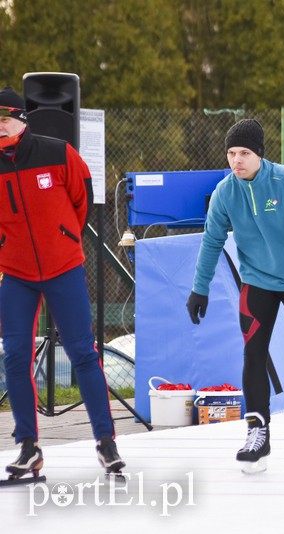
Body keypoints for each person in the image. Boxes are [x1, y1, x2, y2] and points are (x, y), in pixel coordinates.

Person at [187, 118, 284, 469]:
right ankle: (258, 432)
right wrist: (199, 289)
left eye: (244, 152)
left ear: (259, 153)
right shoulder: (226, 192)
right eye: (231, 153)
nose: (236, 160)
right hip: (258, 283)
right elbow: (212, 241)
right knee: (253, 355)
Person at [0, 87, 124, 482]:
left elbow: (81, 199)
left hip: (63, 266)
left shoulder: (57, 152)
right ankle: (28, 448)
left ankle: (106, 442)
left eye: (4, 118)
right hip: (15, 273)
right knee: (15, 357)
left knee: (83, 353)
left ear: (22, 119)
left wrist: (63, 237)